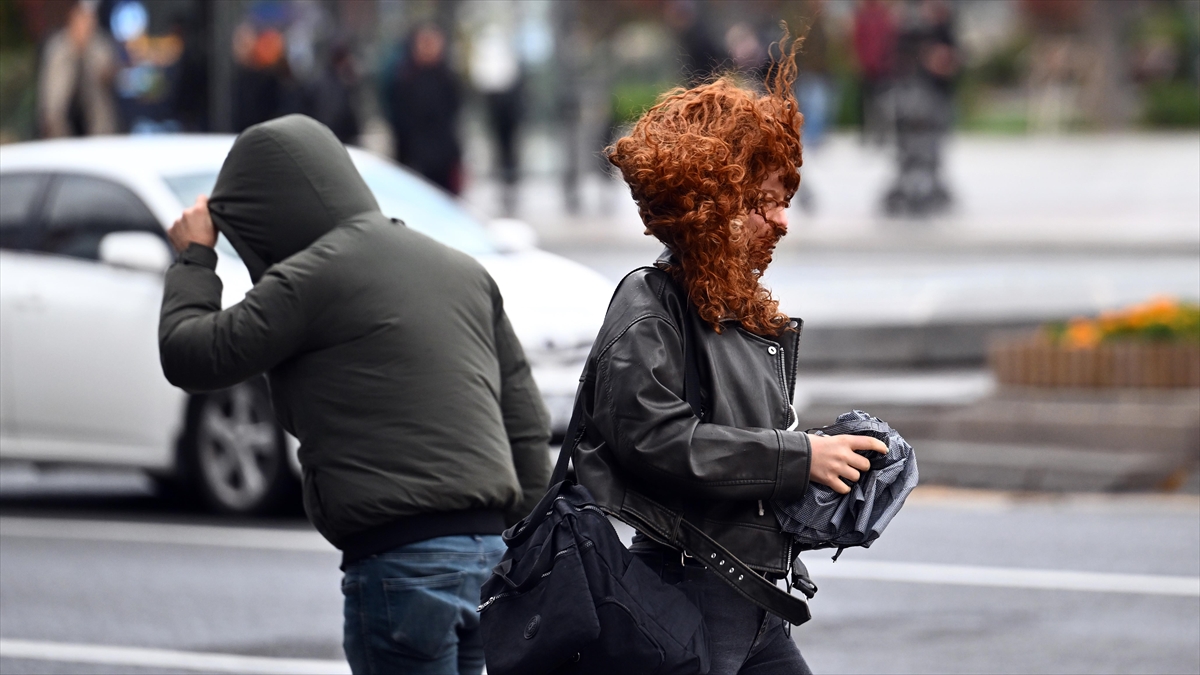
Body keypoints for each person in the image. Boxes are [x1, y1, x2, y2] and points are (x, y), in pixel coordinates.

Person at [158, 114, 550, 675]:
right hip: (488, 559)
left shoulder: (310, 278)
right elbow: (527, 423)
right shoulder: (462, 270)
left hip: (399, 564)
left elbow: (190, 353)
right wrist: (518, 553)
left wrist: (196, 255)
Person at [574, 34, 888, 675]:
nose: (781, 221)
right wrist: (803, 458)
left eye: (783, 201)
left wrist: (831, 459)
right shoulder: (649, 304)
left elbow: (741, 447)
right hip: (690, 594)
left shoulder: (737, 307)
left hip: (758, 602)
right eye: (762, 202)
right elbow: (659, 441)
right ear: (709, 203)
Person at [391, 24, 463, 194]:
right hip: (416, 156)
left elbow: (452, 115)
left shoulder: (447, 77)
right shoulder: (405, 78)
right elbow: (401, 119)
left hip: (443, 157)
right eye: (424, 42)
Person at [37, 0, 119, 138]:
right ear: (72, 20)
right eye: (81, 20)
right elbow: (49, 89)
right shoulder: (57, 48)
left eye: (89, 21)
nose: (85, 25)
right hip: (61, 125)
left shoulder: (101, 46)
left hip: (97, 127)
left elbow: (108, 77)